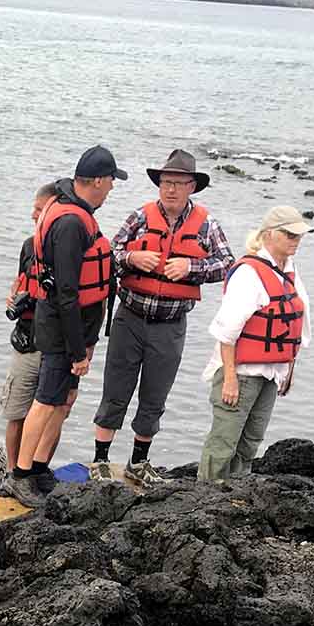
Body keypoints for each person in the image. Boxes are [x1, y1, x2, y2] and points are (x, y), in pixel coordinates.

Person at [90, 150, 235, 486]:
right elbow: (108, 254)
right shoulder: (140, 217)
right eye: (166, 183)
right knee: (115, 390)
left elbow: (228, 264)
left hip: (170, 326)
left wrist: (191, 267)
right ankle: (100, 459)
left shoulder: (207, 224)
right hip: (130, 317)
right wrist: (131, 258)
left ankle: (138, 463)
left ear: (191, 188)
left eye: (178, 184)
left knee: (155, 395)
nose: (170, 189)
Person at [1, 145, 126, 506]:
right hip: (60, 328)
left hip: (70, 326)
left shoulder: (70, 207)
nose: (112, 189)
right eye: (111, 182)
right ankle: (21, 475)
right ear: (98, 181)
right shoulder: (71, 222)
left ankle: (39, 467)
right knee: (45, 400)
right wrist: (77, 350)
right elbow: (67, 294)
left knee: (61, 401)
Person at [198, 206, 313, 482]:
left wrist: (288, 372)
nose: (296, 240)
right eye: (289, 234)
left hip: (271, 374)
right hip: (240, 374)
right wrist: (229, 379)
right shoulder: (249, 274)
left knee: (250, 442)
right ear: (269, 235)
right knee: (224, 441)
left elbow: (298, 326)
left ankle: (236, 494)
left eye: (299, 235)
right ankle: (205, 495)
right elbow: (226, 333)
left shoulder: (290, 271)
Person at [1, 181, 65, 471]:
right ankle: (12, 472)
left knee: (53, 412)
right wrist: (14, 298)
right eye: (34, 208)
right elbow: (19, 285)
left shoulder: (73, 246)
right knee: (16, 412)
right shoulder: (29, 246)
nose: (33, 215)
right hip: (27, 342)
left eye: (39, 209)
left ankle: (38, 470)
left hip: (58, 346)